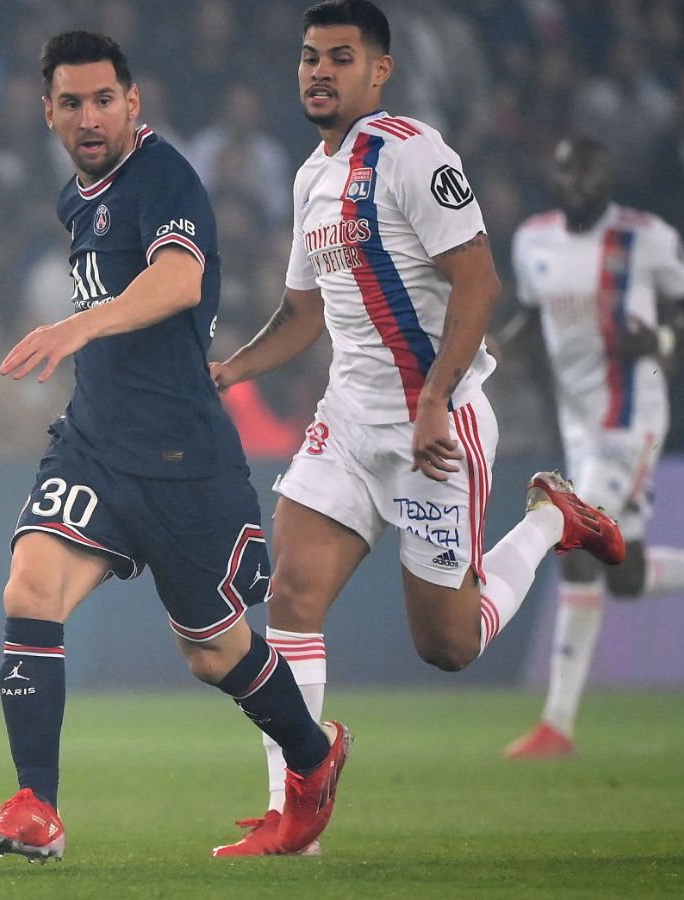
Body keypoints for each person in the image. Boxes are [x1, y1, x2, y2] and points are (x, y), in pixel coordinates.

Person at [206, 0, 624, 856]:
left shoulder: (412, 152)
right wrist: (229, 371)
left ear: (380, 70)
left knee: (449, 645)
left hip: (436, 428)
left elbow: (479, 283)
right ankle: (296, 817)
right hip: (347, 421)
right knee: (290, 596)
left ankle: (553, 520)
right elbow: (302, 312)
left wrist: (434, 399)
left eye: (340, 57)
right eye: (310, 57)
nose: (320, 71)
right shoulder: (310, 177)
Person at [0, 31, 350, 864]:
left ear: (132, 102)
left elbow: (178, 280)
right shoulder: (76, 197)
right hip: (95, 445)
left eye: (105, 100)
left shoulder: (163, 175)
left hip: (181, 460)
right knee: (30, 587)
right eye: (72, 103)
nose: (90, 117)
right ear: (47, 113)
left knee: (212, 651)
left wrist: (77, 326)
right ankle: (37, 807)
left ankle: (313, 757)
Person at [500, 137, 684, 758]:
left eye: (589, 170)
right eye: (567, 170)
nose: (578, 181)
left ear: (607, 174)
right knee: (626, 576)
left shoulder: (645, 237)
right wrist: (499, 349)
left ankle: (557, 725)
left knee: (573, 536)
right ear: (554, 175)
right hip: (578, 424)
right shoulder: (533, 241)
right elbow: (533, 315)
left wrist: (663, 341)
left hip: (630, 419)